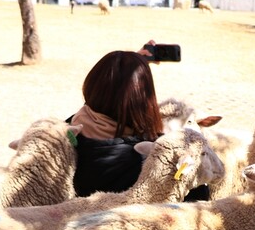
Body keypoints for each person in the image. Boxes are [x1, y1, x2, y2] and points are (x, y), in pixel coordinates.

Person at [68, 48, 209, 201]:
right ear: (142, 100)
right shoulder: (147, 157)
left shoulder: (69, 130)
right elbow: (198, 199)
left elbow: (105, 98)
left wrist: (127, 67)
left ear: (91, 86)